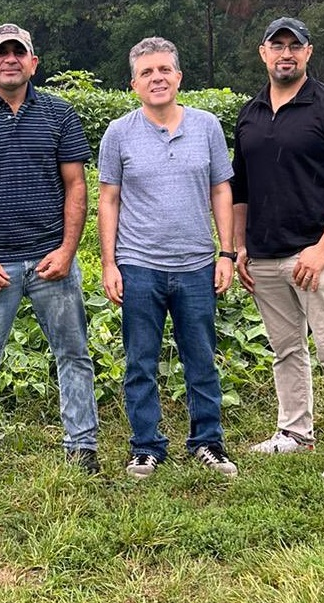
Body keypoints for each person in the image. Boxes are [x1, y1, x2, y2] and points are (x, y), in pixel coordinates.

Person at [0, 22, 99, 486]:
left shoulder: (59, 114)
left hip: (51, 261)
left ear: (33, 62)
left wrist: (68, 250)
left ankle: (82, 446)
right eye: (0, 53)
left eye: (18, 52)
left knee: (74, 353)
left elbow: (76, 186)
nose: (10, 59)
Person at [231, 16, 324, 481]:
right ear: (263, 53)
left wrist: (322, 250)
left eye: (295, 46)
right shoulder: (249, 113)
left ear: (308, 53)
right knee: (286, 349)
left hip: (318, 256)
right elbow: (241, 190)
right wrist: (238, 248)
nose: (286, 53)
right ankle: (294, 432)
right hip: (266, 257)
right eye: (278, 45)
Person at [98, 36, 238, 480]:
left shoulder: (207, 126)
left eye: (164, 70)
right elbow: (109, 200)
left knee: (201, 356)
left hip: (197, 264)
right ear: (133, 84)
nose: (156, 78)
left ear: (178, 76)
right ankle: (146, 446)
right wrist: (109, 263)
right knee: (140, 360)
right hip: (139, 265)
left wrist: (227, 253)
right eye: (146, 73)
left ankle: (207, 441)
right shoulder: (118, 133)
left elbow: (221, 189)